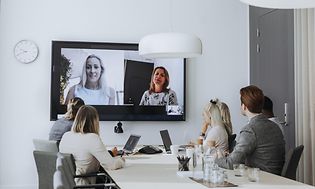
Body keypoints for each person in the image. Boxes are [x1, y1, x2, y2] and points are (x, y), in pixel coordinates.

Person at [215, 85, 285, 175]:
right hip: (276, 178)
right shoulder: (274, 126)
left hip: (260, 179)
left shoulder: (250, 130)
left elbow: (230, 164)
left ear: (244, 106)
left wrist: (217, 159)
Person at [59, 105, 125, 185]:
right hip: (85, 185)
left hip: (70, 184)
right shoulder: (92, 138)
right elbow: (112, 165)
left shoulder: (66, 135)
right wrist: (121, 160)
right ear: (95, 121)